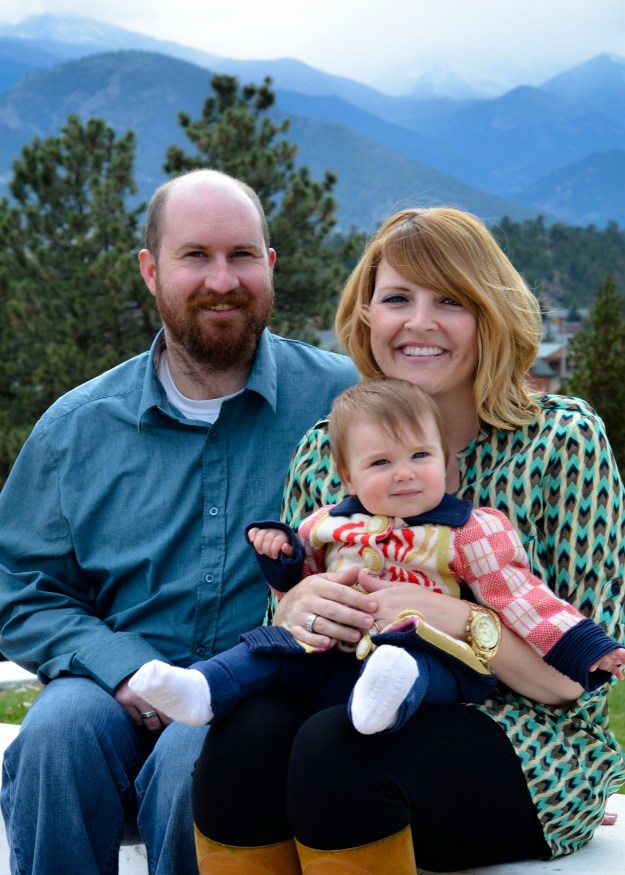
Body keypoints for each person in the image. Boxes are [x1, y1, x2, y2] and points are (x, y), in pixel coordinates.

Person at [189, 206, 625, 875]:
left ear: (488, 314)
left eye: (449, 300)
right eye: (397, 299)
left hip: (533, 735)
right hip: (353, 685)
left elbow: (575, 685)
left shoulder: (560, 440)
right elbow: (290, 620)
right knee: (244, 735)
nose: (418, 322)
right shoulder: (326, 449)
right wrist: (299, 604)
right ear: (367, 316)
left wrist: (455, 618)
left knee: (337, 748)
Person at [0, 168, 358, 875]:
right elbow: (18, 585)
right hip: (109, 686)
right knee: (54, 735)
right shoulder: (78, 427)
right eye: (195, 255)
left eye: (241, 255)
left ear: (270, 265)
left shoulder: (344, 403)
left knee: (197, 758)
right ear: (151, 270)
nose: (222, 280)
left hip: (263, 689)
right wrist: (123, 669)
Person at [130, 376, 625, 737]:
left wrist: (587, 648)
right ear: (348, 478)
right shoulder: (325, 525)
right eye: (382, 462)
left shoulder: (470, 530)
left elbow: (522, 598)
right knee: (267, 653)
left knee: (410, 664)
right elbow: (300, 590)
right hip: (334, 656)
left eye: (420, 456)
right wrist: (282, 560)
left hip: (435, 655)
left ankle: (384, 707)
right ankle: (203, 689)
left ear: (447, 464)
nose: (404, 473)